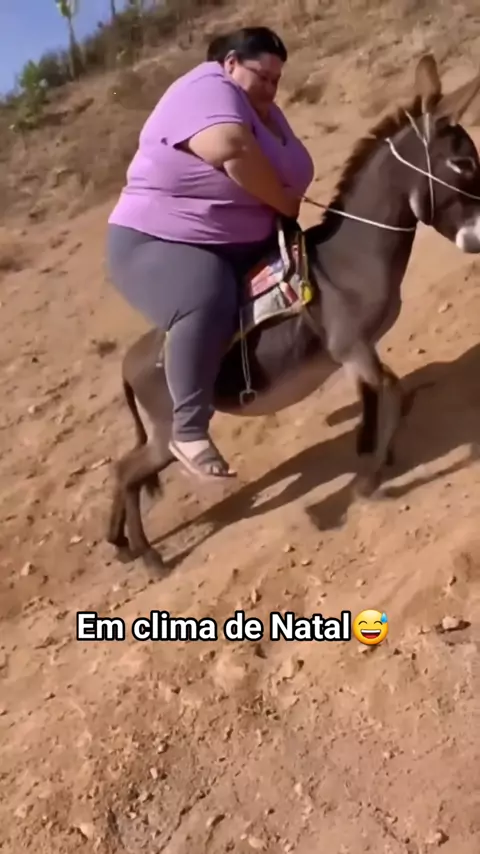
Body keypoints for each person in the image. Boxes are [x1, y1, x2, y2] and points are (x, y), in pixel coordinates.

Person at [106, 26, 315, 481]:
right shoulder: (205, 86)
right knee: (206, 291)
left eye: (277, 79)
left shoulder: (265, 112)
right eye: (263, 76)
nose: (271, 88)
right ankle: (187, 430)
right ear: (231, 64)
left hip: (242, 241)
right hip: (156, 241)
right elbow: (230, 148)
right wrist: (283, 203)